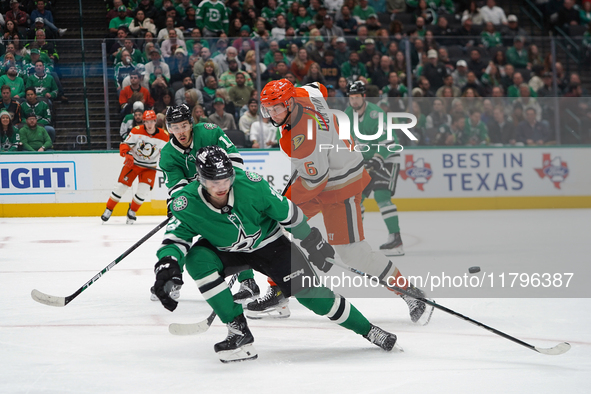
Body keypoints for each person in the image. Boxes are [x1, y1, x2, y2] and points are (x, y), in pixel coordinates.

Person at [152, 145, 401, 362]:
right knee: (197, 260)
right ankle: (238, 331)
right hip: (225, 250)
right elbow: (175, 238)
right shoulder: (185, 202)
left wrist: (312, 240)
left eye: (225, 180)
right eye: (213, 183)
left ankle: (370, 330)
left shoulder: (251, 184)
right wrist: (168, 265)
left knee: (314, 298)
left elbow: (289, 213)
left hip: (271, 245)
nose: (221, 188)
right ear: (200, 180)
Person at [258, 79, 434, 323]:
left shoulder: (302, 141)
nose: (270, 114)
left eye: (275, 108)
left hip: (340, 184)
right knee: (276, 227)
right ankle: (279, 289)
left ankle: (410, 292)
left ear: (289, 103)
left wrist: (282, 202)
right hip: (324, 167)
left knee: (353, 253)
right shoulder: (303, 94)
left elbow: (316, 181)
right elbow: (319, 86)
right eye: (268, 108)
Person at [157, 104, 262, 304]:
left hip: (224, 193)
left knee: (236, 231)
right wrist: (180, 208)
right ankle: (171, 277)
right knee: (178, 232)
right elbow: (178, 190)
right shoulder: (168, 155)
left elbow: (235, 161)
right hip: (196, 201)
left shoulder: (210, 132)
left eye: (184, 125)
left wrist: (225, 192)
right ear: (168, 129)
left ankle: (248, 282)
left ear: (191, 124)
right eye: (175, 127)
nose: (181, 131)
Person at [345, 81, 405, 255]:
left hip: (387, 158)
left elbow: (389, 142)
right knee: (356, 200)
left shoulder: (376, 114)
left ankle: (396, 240)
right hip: (367, 160)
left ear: (364, 97)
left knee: (381, 195)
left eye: (357, 97)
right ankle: (355, 239)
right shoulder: (348, 114)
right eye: (351, 97)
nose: (354, 101)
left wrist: (377, 160)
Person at [101, 110, 169, 225]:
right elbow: (125, 144)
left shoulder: (164, 136)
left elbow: (166, 153)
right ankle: (109, 209)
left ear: (155, 121)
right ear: (144, 122)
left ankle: (132, 211)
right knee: (121, 187)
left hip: (149, 167)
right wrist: (126, 154)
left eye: (151, 121)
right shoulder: (136, 131)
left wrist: (167, 163)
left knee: (143, 191)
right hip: (133, 164)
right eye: (147, 122)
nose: (149, 124)